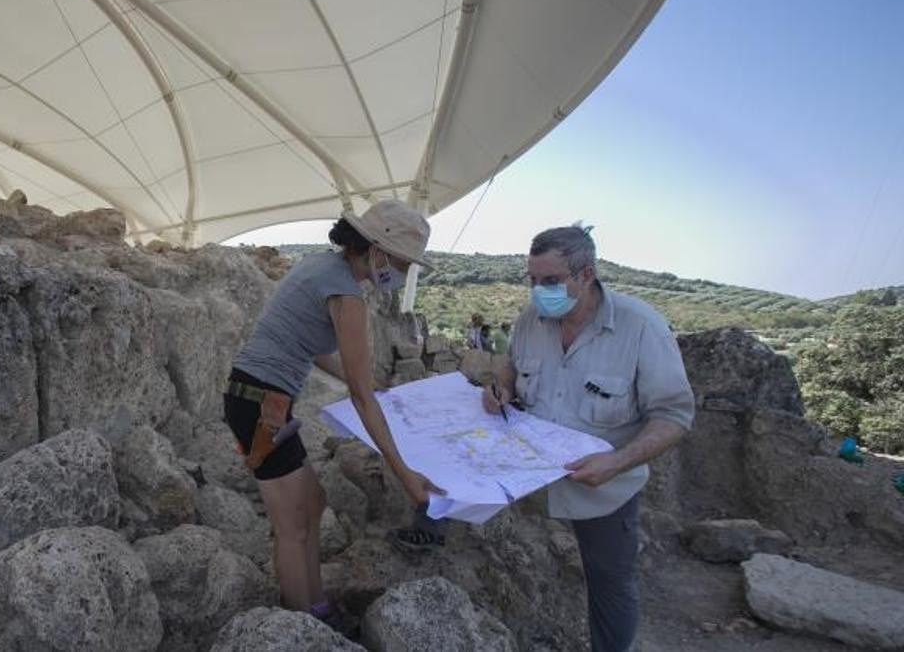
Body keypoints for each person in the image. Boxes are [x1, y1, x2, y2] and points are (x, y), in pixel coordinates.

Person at [225, 200, 446, 622]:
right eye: (401, 262)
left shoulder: (323, 268)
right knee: (293, 527)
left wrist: (366, 382)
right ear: (377, 250)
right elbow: (363, 402)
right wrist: (406, 475)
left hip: (257, 399)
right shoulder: (347, 294)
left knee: (313, 501)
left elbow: (317, 349)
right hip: (261, 405)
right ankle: (306, 623)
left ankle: (318, 606)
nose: (401, 273)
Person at [481, 224, 694, 652]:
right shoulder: (530, 318)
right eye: (533, 280)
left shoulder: (641, 329)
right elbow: (510, 362)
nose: (539, 291)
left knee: (610, 582)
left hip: (603, 488)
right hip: (527, 475)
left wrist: (616, 463)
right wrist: (500, 386)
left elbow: (674, 415)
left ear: (586, 274)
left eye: (551, 281)